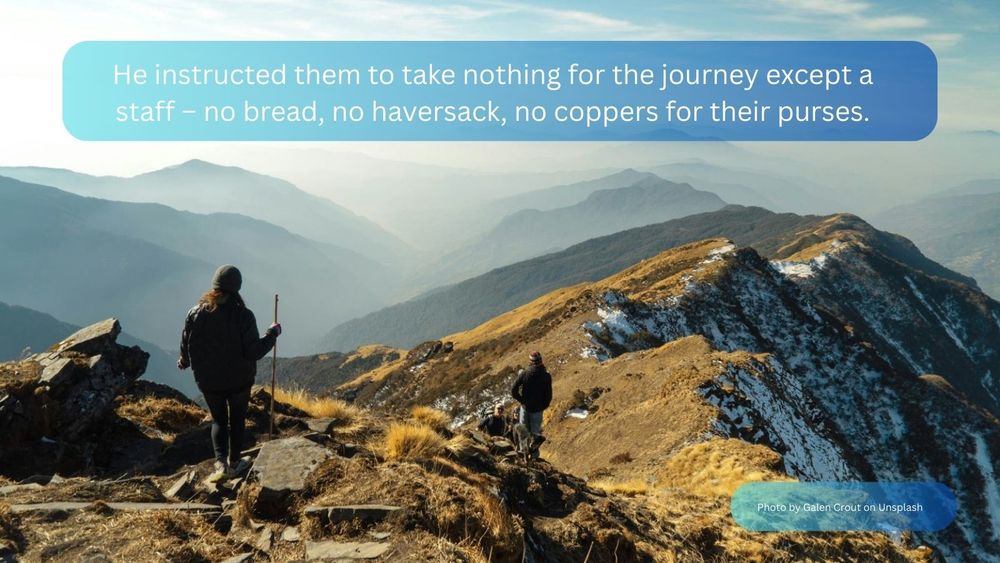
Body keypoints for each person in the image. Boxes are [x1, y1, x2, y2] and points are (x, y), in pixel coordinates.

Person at [178, 265, 281, 481]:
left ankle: (220, 464)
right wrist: (272, 333)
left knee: (218, 420)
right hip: (239, 380)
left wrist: (185, 361)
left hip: (208, 381)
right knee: (236, 420)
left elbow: (187, 341)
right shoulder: (243, 316)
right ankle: (235, 463)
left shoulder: (195, 313)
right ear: (238, 287)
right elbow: (254, 351)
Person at [510, 351, 552, 458]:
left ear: (530, 362)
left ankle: (522, 454)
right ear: (541, 361)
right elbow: (548, 395)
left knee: (523, 432)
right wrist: (543, 406)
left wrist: (521, 400)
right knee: (535, 435)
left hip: (525, 408)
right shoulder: (546, 376)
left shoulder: (525, 373)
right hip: (537, 410)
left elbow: (513, 390)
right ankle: (534, 457)